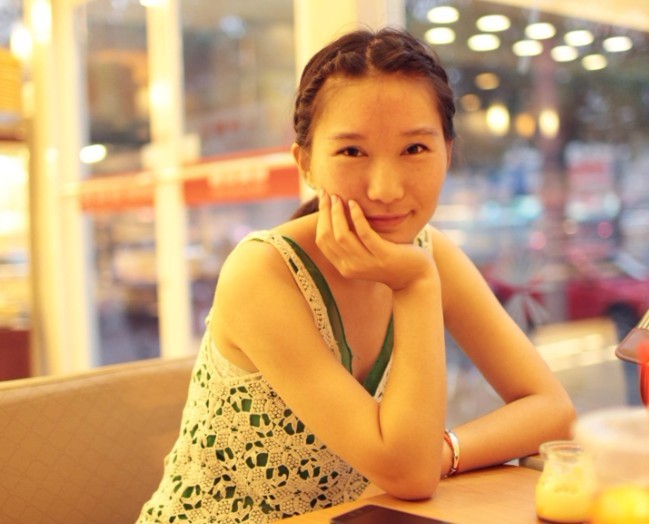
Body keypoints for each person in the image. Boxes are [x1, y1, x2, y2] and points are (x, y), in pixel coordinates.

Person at [138, 27, 575, 523]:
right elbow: (409, 475)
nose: (385, 189)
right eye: (352, 152)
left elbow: (552, 410)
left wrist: (444, 451)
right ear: (305, 163)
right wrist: (415, 284)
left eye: (415, 149)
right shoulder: (263, 271)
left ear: (448, 153)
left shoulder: (430, 253)